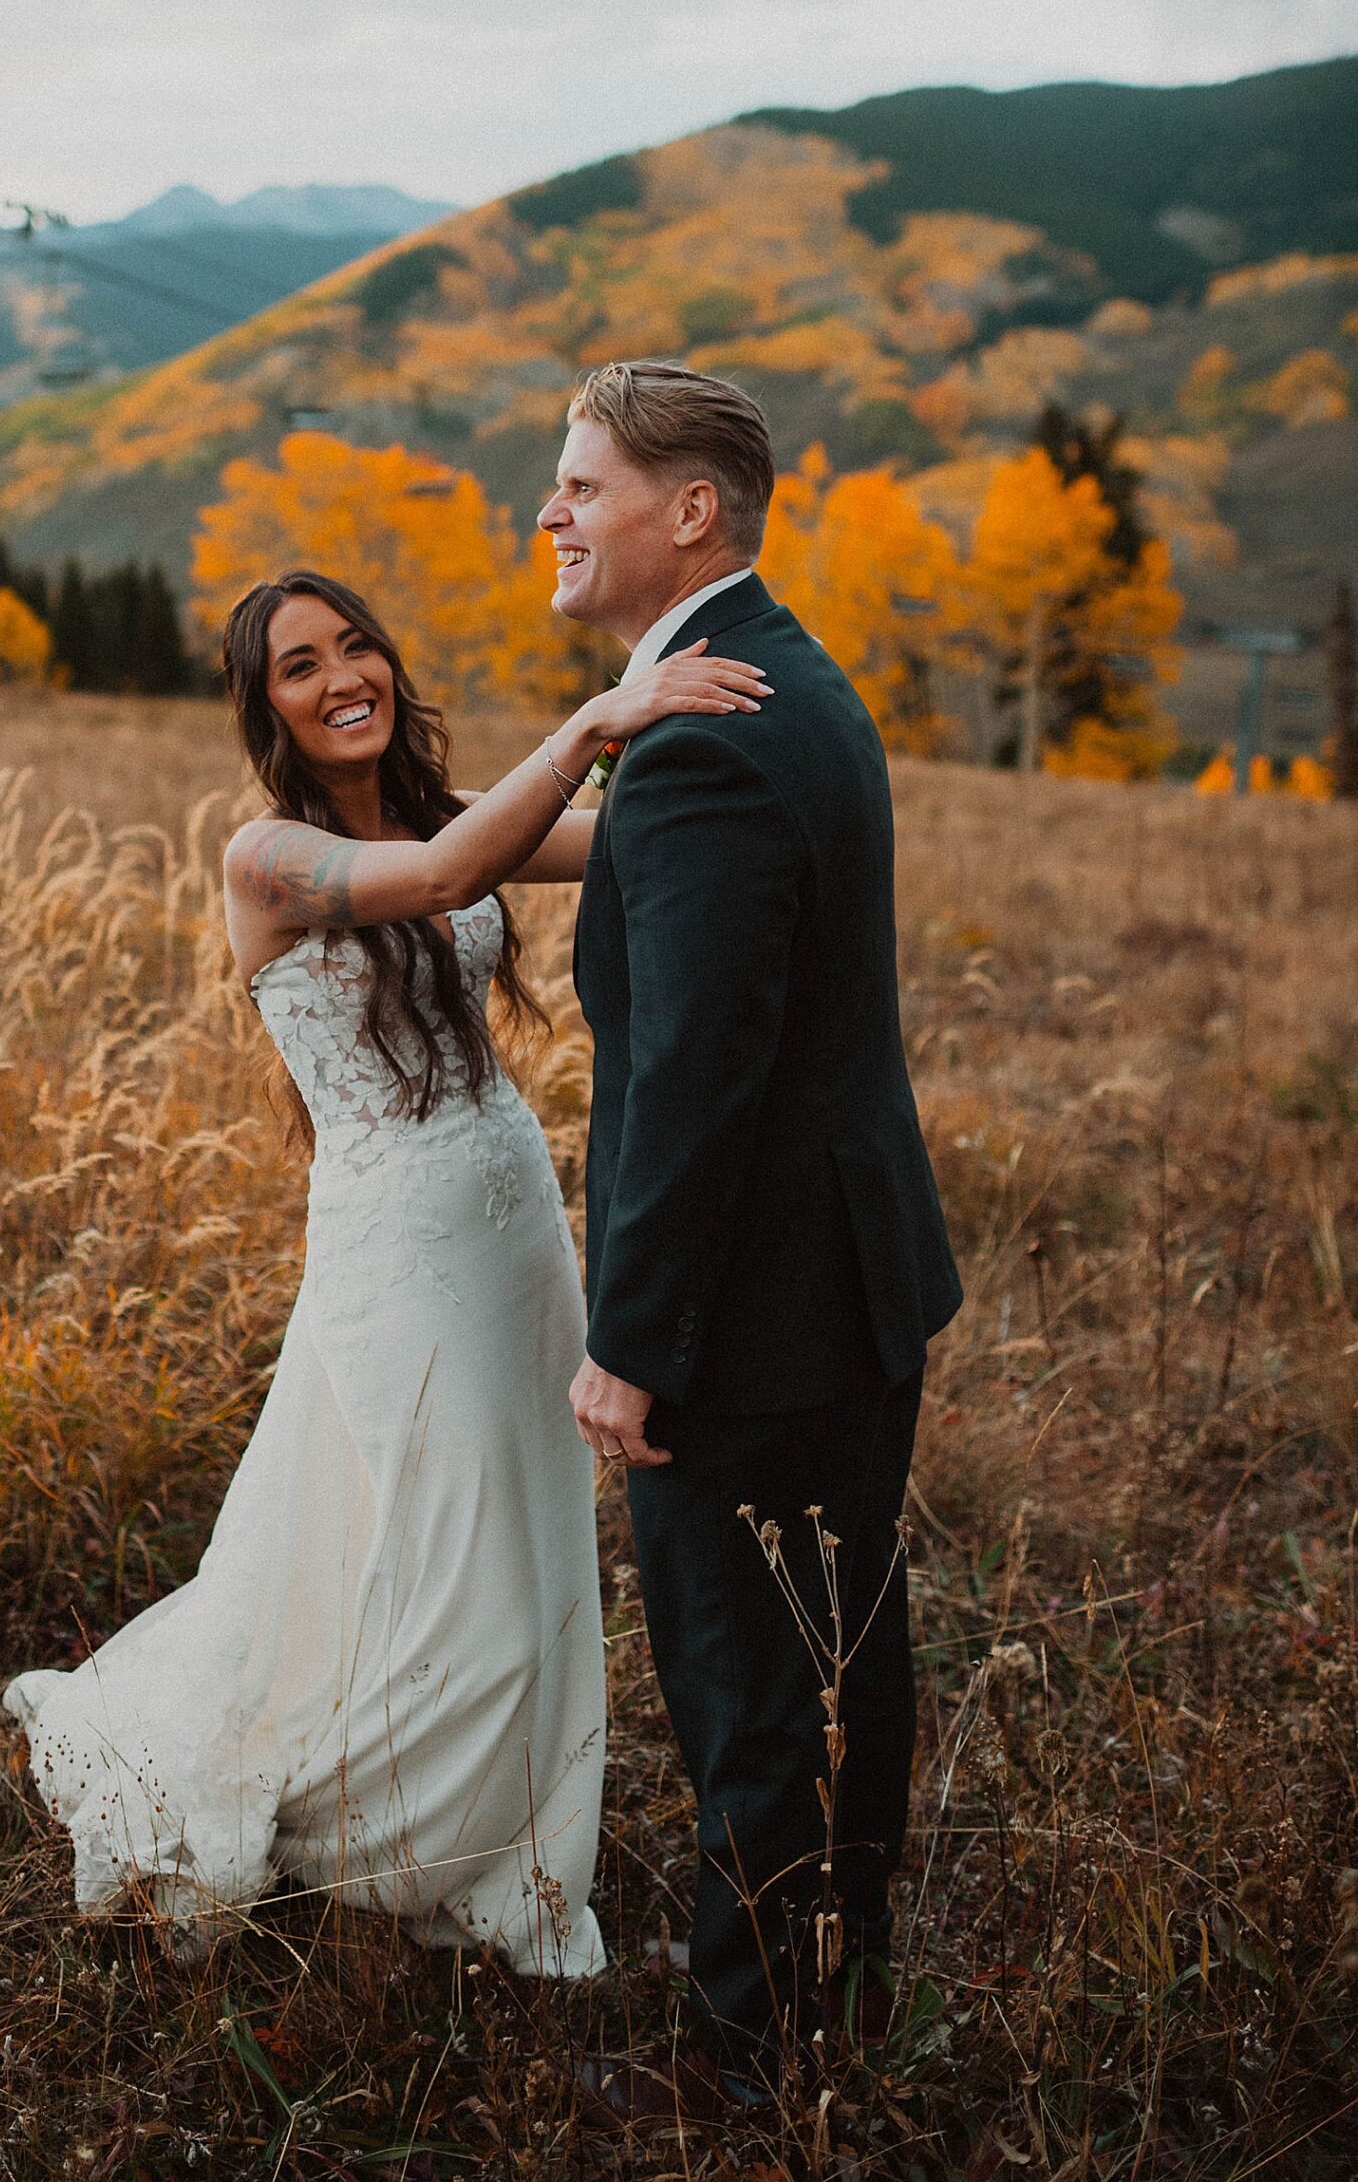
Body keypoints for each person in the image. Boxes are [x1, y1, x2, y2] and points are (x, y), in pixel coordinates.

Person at [2, 566, 768, 1970]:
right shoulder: (267, 860)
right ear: (267, 706)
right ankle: (409, 1834)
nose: (340, 675)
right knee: (429, 1525)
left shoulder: (436, 812)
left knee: (525, 1526)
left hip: (513, 1216)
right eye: (301, 664)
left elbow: (621, 840)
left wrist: (758, 761)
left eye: (355, 645)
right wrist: (602, 712)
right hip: (395, 1243)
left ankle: (506, 1828)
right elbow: (441, 881)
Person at [541, 361, 963, 2098]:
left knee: (749, 1693)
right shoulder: (781, 677)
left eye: (579, 484)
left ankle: (739, 2071)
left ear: (688, 510)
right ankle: (839, 1987)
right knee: (846, 1656)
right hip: (848, 1273)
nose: (549, 516)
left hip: (756, 1311)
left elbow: (698, 1077)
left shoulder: (707, 723)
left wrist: (632, 1341)